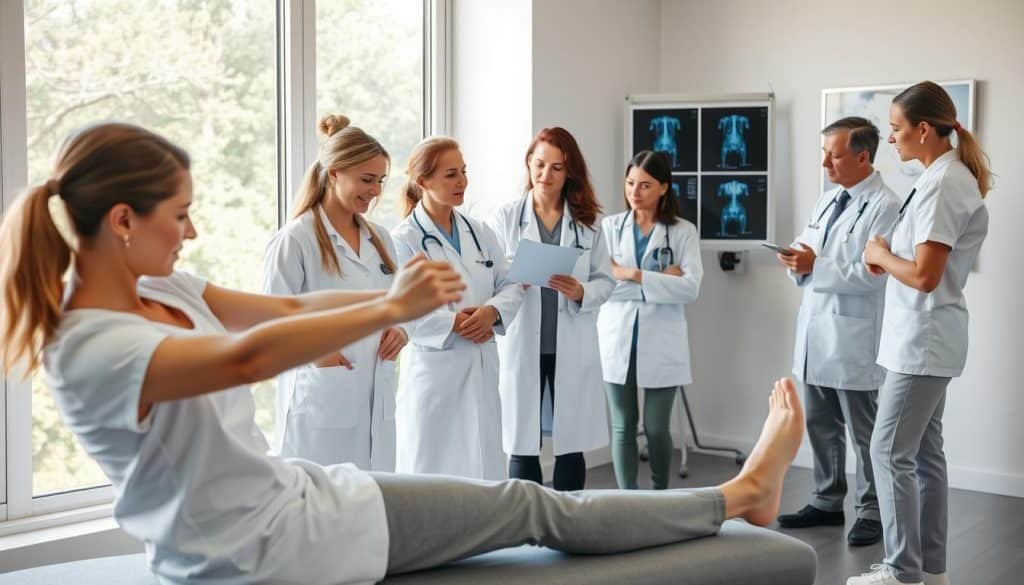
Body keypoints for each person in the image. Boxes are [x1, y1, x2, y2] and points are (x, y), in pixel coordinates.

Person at [0, 121, 806, 585]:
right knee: (531, 506)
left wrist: (397, 297)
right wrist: (390, 305)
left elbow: (281, 306)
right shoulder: (93, 346)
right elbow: (248, 357)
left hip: (296, 497)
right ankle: (738, 496)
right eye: (180, 212)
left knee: (508, 488)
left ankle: (735, 494)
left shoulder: (167, 289)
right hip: (263, 549)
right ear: (121, 221)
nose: (193, 229)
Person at [847, 81, 991, 585]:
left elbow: (928, 276)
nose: (890, 139)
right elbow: (923, 267)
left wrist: (881, 254)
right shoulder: (938, 177)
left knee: (887, 453)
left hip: (922, 344)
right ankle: (930, 572)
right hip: (922, 339)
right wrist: (885, 260)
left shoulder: (945, 182)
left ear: (923, 130)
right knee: (925, 456)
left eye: (895, 129)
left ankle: (902, 571)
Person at [774, 117, 899, 547]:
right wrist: (796, 260)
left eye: (835, 154)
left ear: (863, 157)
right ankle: (827, 501)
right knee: (821, 424)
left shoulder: (886, 205)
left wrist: (815, 266)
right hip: (816, 331)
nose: (825, 162)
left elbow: (876, 274)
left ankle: (873, 511)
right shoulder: (828, 201)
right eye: (824, 152)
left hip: (853, 338)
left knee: (866, 433)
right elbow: (808, 250)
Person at [262, 114, 406, 470]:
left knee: (372, 505)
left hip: (377, 396)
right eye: (367, 180)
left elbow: (399, 307)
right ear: (335, 173)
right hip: (322, 401)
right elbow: (266, 321)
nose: (375, 191)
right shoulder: (296, 239)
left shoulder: (381, 239)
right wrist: (315, 353)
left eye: (380, 181)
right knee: (319, 508)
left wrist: (402, 330)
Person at [487, 127, 614, 491]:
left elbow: (606, 282)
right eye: (539, 165)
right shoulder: (507, 217)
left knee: (570, 443)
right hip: (523, 341)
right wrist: (518, 271)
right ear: (528, 163)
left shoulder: (588, 223)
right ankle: (524, 524)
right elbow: (492, 275)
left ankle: (569, 522)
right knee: (521, 440)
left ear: (570, 171)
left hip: (569, 344)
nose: (545, 175)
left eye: (556, 168)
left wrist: (580, 291)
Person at [390, 137, 523, 480]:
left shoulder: (480, 231)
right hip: (436, 372)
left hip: (480, 364)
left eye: (463, 172)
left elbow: (511, 283)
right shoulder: (403, 239)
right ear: (423, 182)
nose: (462, 181)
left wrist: (490, 313)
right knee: (432, 471)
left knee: (484, 467)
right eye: (451, 174)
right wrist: (455, 322)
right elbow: (400, 307)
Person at [596, 150, 702, 490]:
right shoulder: (609, 228)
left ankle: (659, 496)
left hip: (661, 341)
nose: (634, 192)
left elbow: (690, 289)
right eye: (630, 183)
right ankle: (627, 500)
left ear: (663, 188)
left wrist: (631, 275)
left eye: (645, 185)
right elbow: (602, 287)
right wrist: (660, 280)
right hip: (617, 338)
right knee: (623, 425)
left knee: (657, 428)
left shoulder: (683, 232)